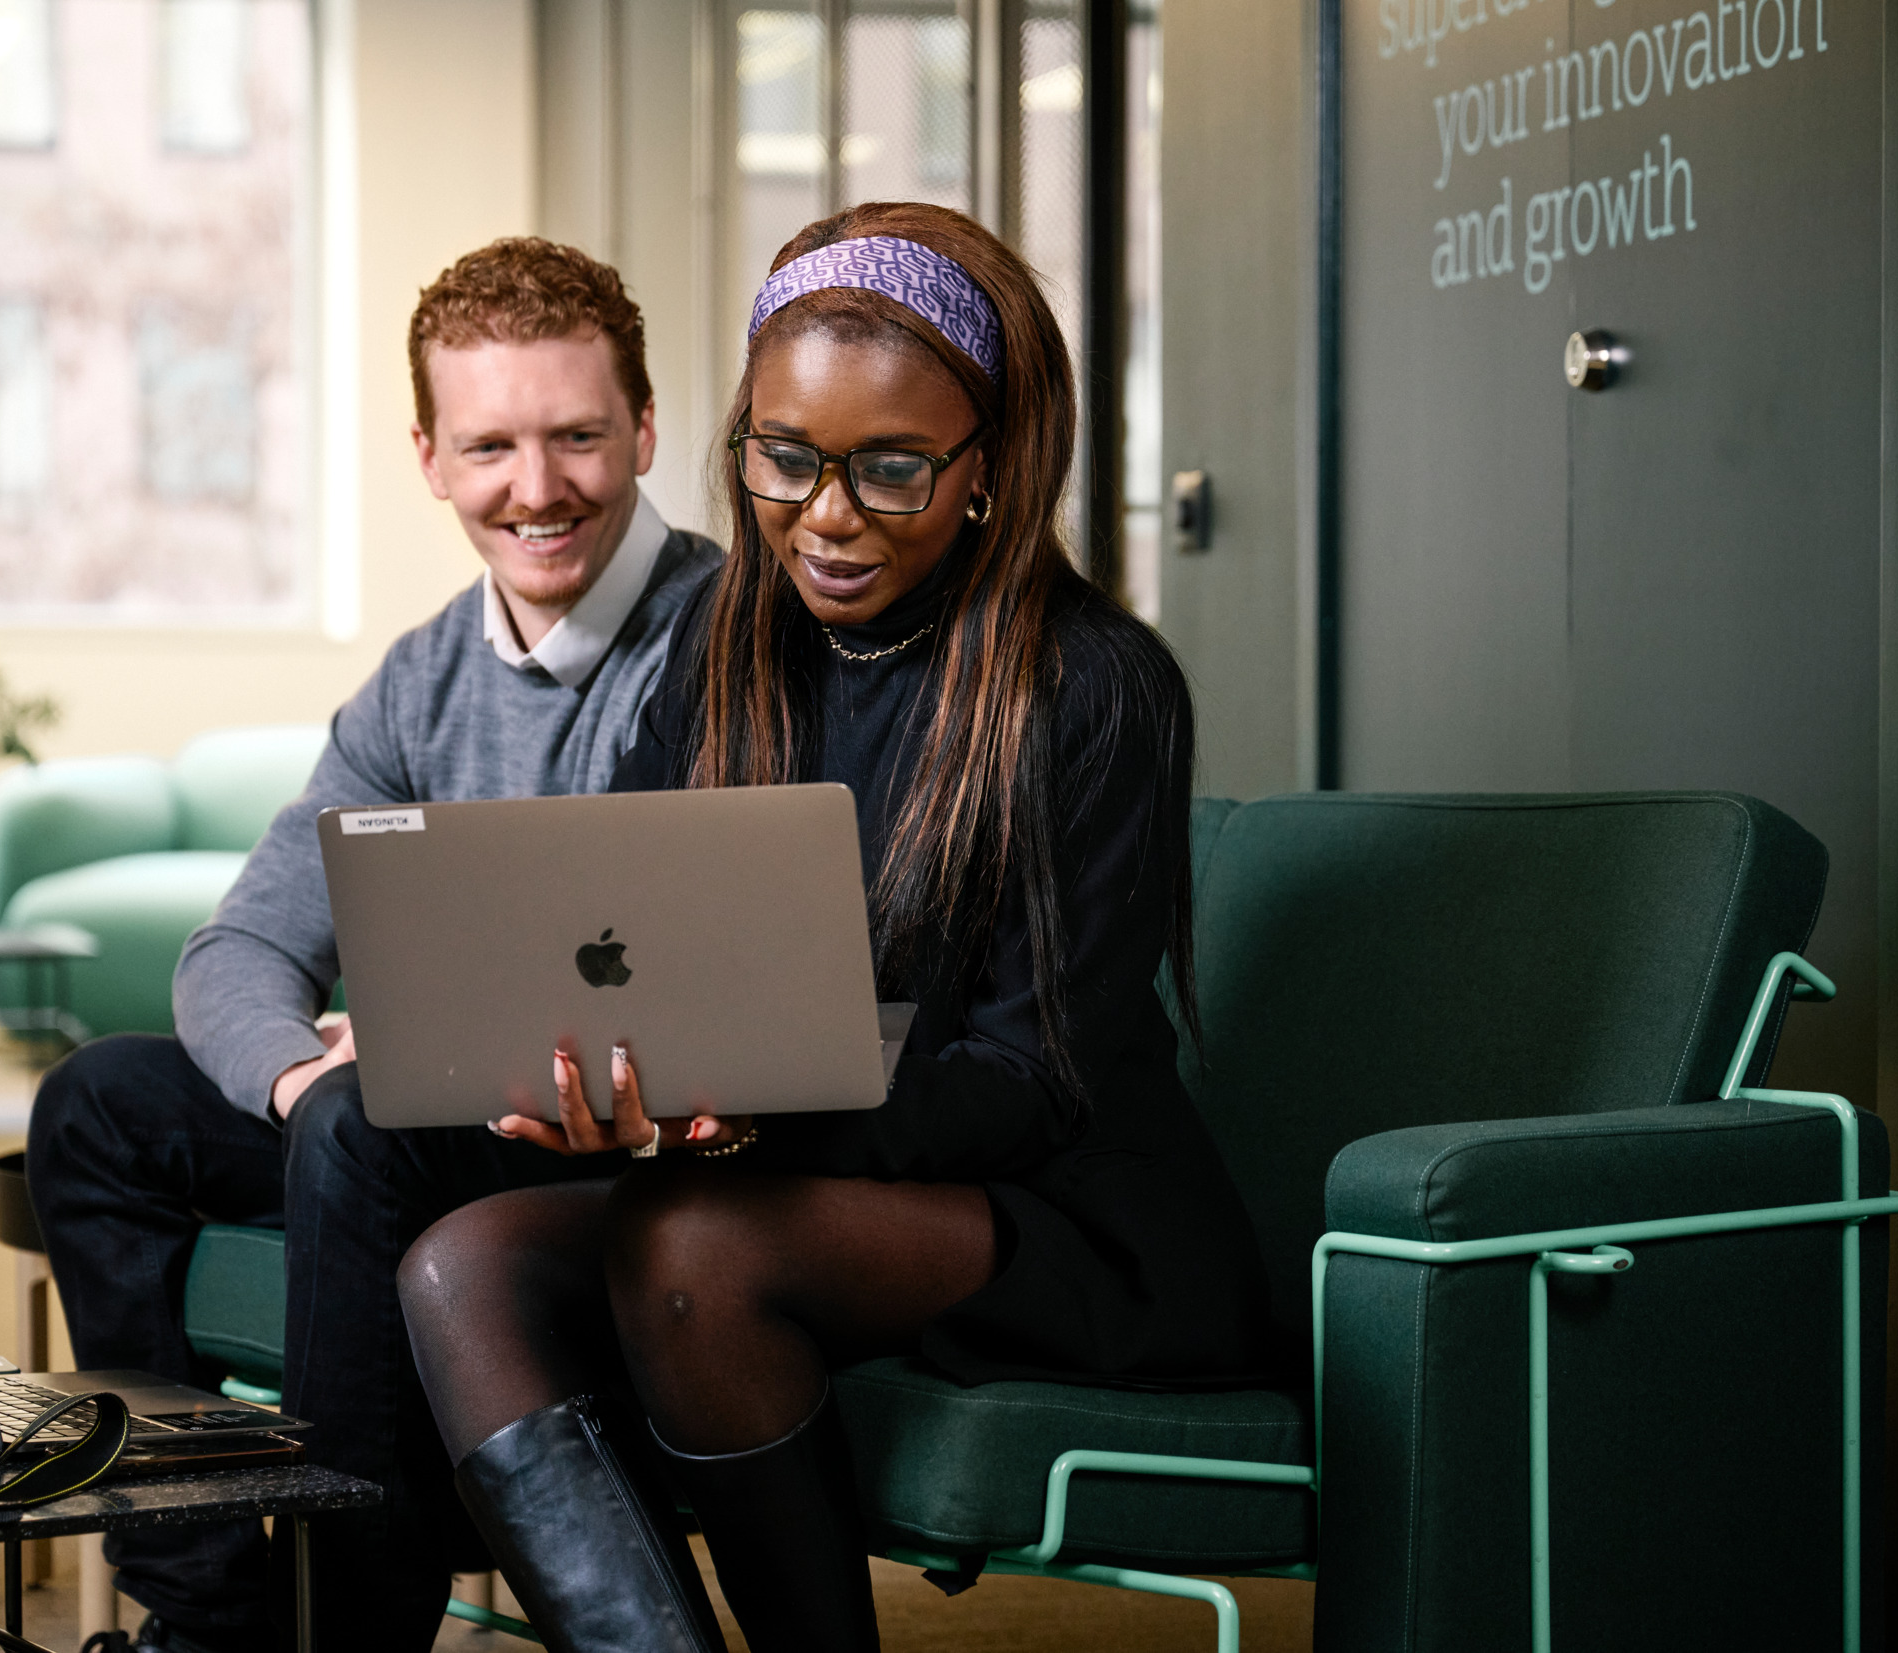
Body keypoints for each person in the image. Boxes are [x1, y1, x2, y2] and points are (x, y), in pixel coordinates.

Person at [394, 201, 1274, 1653]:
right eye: (786, 459)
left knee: (691, 1243)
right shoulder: (726, 647)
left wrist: (743, 1126)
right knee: (459, 1263)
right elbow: (623, 935)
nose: (828, 515)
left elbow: (1031, 1080)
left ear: (987, 465)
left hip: (1065, 1219)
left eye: (892, 470)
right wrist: (614, 1084)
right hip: (789, 1169)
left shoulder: (1097, 685)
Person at [25, 238, 721, 1653]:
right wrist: (295, 1073)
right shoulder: (422, 676)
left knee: (358, 1122)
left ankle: (345, 1629)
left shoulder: (732, 637)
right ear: (430, 457)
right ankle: (219, 1609)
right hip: (415, 1111)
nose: (538, 488)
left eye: (579, 435)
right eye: (492, 445)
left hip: (613, 1136)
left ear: (646, 427)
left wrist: (394, 1050)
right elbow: (239, 949)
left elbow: (674, 966)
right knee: (99, 1104)